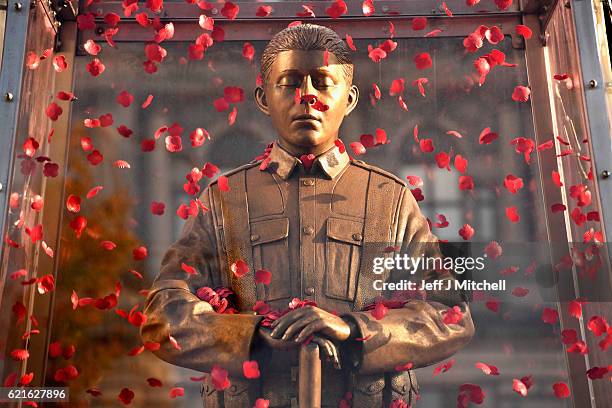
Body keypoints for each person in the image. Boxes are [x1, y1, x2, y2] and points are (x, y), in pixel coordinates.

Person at [140, 23, 474, 408]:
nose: (307, 97)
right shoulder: (223, 200)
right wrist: (251, 336)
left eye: (322, 82)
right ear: (264, 98)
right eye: (290, 82)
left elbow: (450, 311)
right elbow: (164, 314)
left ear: (349, 99)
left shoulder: (391, 198)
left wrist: (352, 329)